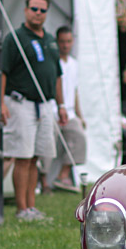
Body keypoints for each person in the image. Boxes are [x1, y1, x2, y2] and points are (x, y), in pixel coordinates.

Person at [0, 0, 66, 221]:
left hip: (45, 104)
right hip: (21, 103)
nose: (38, 13)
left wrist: (62, 105)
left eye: (42, 10)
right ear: (26, 10)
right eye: (34, 9)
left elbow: (57, 75)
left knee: (35, 156)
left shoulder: (49, 40)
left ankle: (31, 206)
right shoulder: (15, 38)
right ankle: (22, 209)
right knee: (22, 155)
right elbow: (3, 72)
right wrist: (1, 103)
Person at [46, 26, 86, 192]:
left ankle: (62, 175)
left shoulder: (74, 64)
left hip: (69, 113)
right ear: (57, 42)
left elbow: (75, 91)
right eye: (62, 41)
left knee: (80, 138)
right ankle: (43, 181)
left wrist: (79, 115)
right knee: (47, 146)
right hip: (52, 111)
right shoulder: (52, 62)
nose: (65, 45)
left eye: (68, 41)